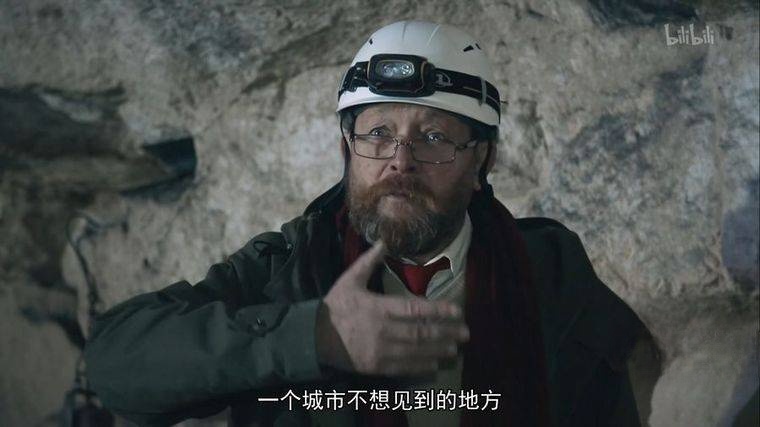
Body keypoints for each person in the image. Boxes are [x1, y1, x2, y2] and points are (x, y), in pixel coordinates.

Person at [84, 20, 643, 427]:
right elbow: (114, 367)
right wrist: (308, 336)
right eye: (378, 134)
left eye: (433, 137)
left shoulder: (548, 273)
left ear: (482, 162)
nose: (400, 161)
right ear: (347, 150)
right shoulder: (290, 269)